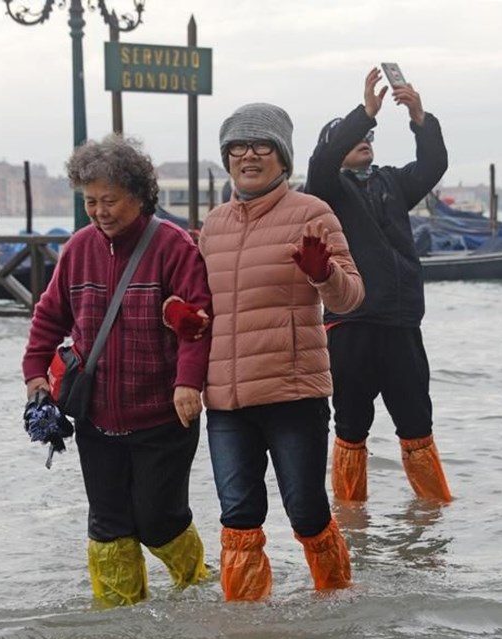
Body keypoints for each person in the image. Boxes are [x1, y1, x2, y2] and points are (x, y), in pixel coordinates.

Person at [21, 135, 213, 607]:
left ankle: (201, 588)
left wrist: (188, 383)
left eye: (109, 200)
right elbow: (48, 317)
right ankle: (118, 629)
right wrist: (34, 375)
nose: (99, 211)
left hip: (163, 414)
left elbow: (197, 319)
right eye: (90, 201)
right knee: (107, 525)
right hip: (96, 415)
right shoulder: (78, 248)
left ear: (139, 195)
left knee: (158, 520)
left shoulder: (173, 246)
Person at [197, 103, 366, 601]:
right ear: (227, 157)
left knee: (307, 510)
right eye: (238, 147)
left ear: (283, 157)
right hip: (226, 401)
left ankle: (336, 604)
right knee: (238, 516)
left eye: (261, 145)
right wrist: (188, 319)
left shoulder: (312, 213)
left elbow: (351, 296)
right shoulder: (215, 225)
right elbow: (210, 306)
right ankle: (247, 628)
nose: (249, 156)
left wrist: (323, 274)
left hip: (292, 392)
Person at [305, 67, 453, 504]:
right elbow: (321, 160)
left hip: (402, 324)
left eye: (369, 134)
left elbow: (434, 164)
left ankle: (432, 514)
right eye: (354, 138)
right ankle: (351, 517)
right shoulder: (325, 191)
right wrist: (365, 110)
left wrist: (421, 118)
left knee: (417, 424)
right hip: (350, 326)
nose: (364, 139)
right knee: (351, 426)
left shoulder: (393, 182)